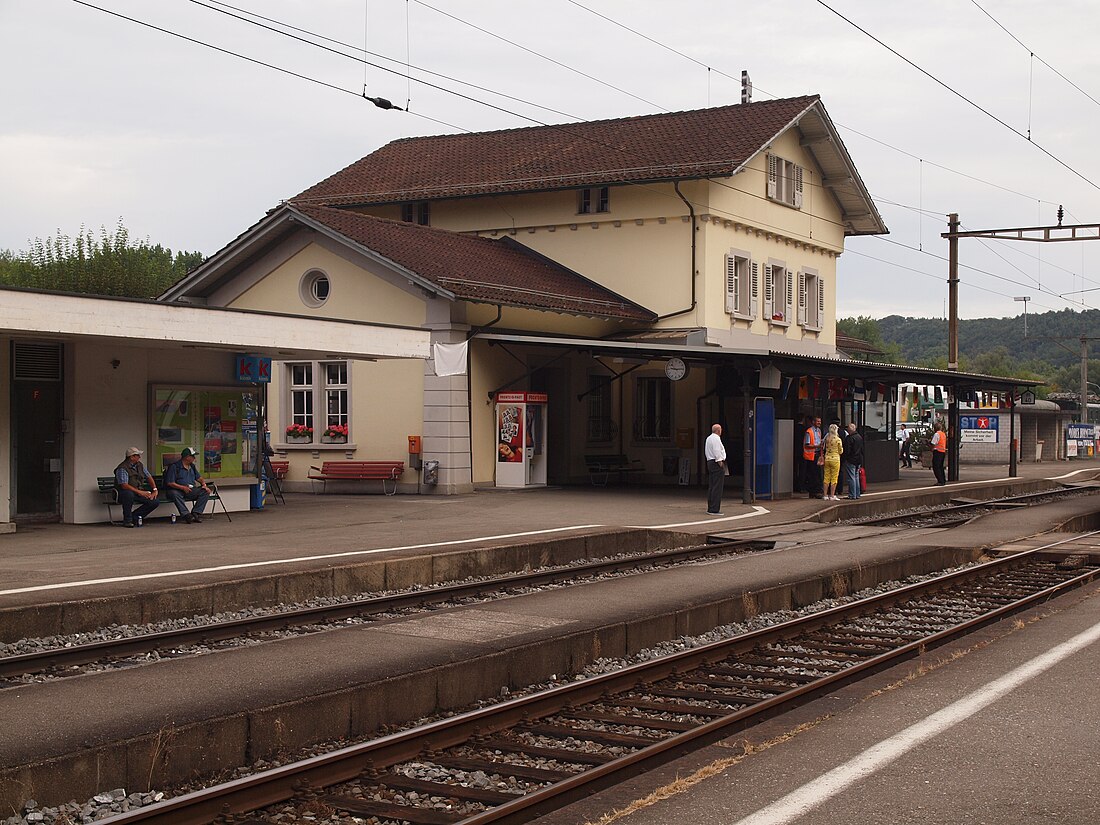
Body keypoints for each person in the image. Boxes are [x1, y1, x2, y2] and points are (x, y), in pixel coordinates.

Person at [114, 446, 159, 527]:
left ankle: (134, 517)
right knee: (128, 495)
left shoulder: (140, 465)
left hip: (138, 491)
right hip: (123, 493)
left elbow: (148, 476)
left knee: (154, 501)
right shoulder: (122, 468)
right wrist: (140, 492)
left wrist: (154, 489)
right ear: (131, 457)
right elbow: (124, 485)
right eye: (137, 455)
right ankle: (127, 520)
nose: (139, 457)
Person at [164, 447, 211, 523]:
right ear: (187, 457)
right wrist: (182, 488)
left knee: (205, 492)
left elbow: (199, 478)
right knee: (175, 494)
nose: (194, 458)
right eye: (193, 456)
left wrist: (204, 485)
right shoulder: (174, 467)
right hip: (177, 490)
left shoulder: (192, 466)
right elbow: (170, 482)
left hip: (190, 490)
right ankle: (186, 515)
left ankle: (196, 513)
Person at [704, 423, 727, 515]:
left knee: (712, 486)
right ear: (718, 430)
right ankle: (714, 509)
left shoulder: (709, 438)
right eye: (720, 429)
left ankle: (710, 507)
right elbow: (717, 451)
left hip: (710, 462)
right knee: (717, 487)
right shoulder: (716, 439)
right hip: (716, 462)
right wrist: (720, 462)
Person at [802, 416, 823, 499]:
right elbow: (807, 444)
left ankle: (817, 491)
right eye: (818, 421)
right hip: (811, 455)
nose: (819, 423)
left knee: (818, 474)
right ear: (813, 422)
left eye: (820, 421)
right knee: (812, 474)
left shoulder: (819, 431)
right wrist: (816, 446)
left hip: (817, 454)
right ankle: (813, 492)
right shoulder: (809, 431)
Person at [822, 423, 844, 500]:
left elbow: (823, 447)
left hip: (827, 458)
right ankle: (832, 495)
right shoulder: (838, 439)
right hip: (835, 459)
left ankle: (825, 495)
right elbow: (841, 451)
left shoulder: (827, 439)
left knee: (826, 477)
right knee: (834, 478)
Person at [844, 423, 864, 499]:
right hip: (858, 459)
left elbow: (847, 450)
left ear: (849, 430)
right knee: (856, 477)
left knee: (851, 477)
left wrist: (845, 458)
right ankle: (857, 494)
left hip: (851, 460)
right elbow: (862, 449)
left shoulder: (849, 438)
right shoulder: (859, 437)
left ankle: (852, 495)